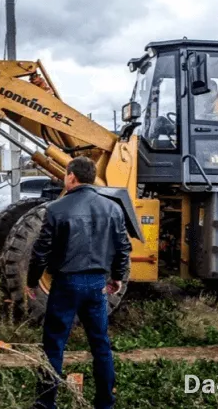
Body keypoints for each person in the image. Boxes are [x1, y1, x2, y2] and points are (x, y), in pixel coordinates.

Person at [26, 156, 132, 409]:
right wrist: (117, 276)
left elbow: (41, 251)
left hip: (65, 284)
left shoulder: (56, 209)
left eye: (66, 175)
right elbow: (123, 248)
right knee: (100, 344)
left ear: (71, 177)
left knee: (54, 344)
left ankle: (45, 403)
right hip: (97, 285)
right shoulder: (113, 208)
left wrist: (31, 281)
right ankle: (106, 402)